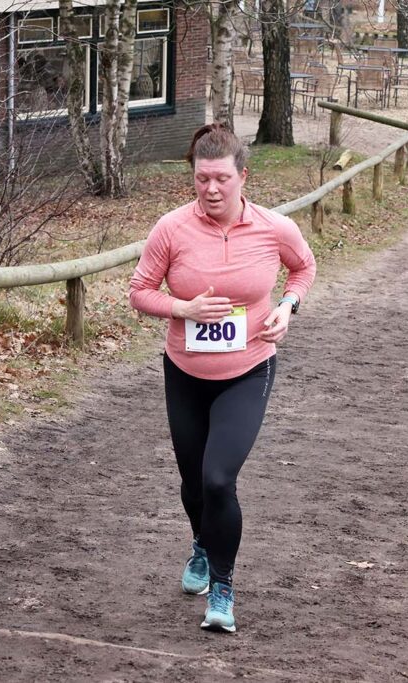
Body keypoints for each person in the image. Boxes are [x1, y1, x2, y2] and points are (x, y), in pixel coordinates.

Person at [129, 123, 316, 633]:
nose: (210, 189)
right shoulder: (171, 229)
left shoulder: (275, 228)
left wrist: (288, 305)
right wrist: (182, 306)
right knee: (193, 484)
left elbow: (303, 268)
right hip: (185, 371)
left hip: (247, 368)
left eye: (221, 180)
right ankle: (200, 543)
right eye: (201, 179)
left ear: (243, 177)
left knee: (218, 479)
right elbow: (140, 292)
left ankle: (223, 586)